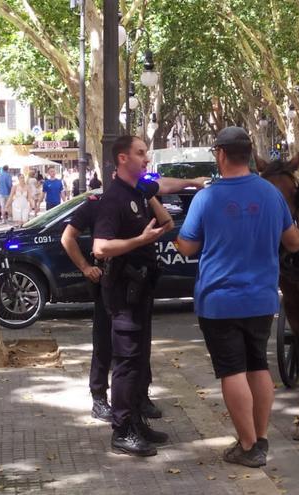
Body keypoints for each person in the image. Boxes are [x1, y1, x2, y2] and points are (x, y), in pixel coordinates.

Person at [176, 127, 299, 468]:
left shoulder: (207, 197)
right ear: (248, 153)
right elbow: (294, 242)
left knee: (232, 371)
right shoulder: (271, 194)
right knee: (258, 365)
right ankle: (259, 438)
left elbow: (186, 246)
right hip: (262, 297)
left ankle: (248, 446)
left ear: (219, 154)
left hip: (219, 300)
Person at [62, 173, 209, 423]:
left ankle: (140, 395)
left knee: (139, 343)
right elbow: (68, 237)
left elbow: (166, 218)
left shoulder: (141, 199)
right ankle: (99, 397)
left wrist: (152, 193)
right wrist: (86, 268)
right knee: (104, 342)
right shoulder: (99, 202)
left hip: (139, 284)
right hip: (110, 281)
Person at [92, 135, 174, 457]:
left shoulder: (135, 194)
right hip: (123, 294)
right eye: (140, 154)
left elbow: (166, 222)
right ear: (122, 159)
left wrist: (147, 191)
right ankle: (122, 430)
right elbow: (100, 247)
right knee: (125, 363)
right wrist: (139, 241)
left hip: (141, 292)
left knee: (139, 360)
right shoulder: (113, 199)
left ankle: (137, 423)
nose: (147, 159)